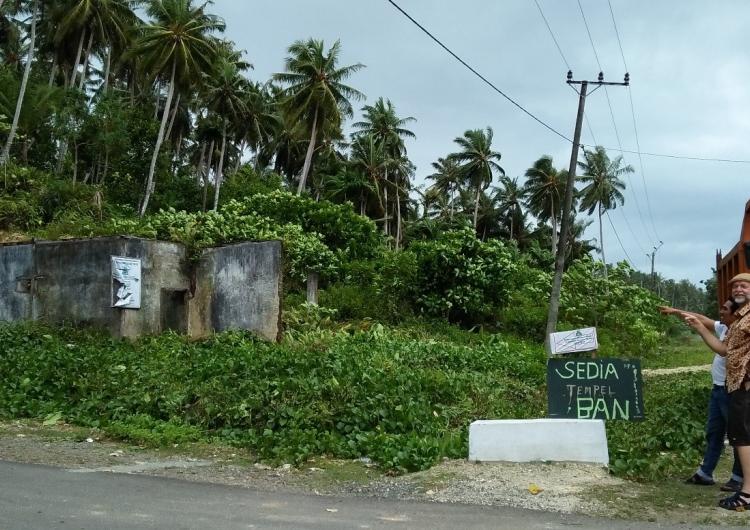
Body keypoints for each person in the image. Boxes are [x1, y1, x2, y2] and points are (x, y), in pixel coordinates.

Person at [683, 273, 750, 510]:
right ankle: (742, 489)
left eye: (744, 285)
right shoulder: (738, 322)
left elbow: (726, 351)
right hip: (734, 386)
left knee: (742, 438)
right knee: (737, 437)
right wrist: (700, 327)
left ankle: (745, 490)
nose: (738, 289)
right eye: (736, 287)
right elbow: (724, 349)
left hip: (743, 385)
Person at [660, 300, 742, 491]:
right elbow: (702, 319)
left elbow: (721, 349)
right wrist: (675, 310)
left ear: (736, 314)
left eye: (725, 310)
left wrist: (699, 328)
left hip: (732, 391)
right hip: (718, 390)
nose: (721, 314)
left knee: (739, 436)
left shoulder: (740, 333)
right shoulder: (725, 328)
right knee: (714, 433)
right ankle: (705, 473)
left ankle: (739, 477)